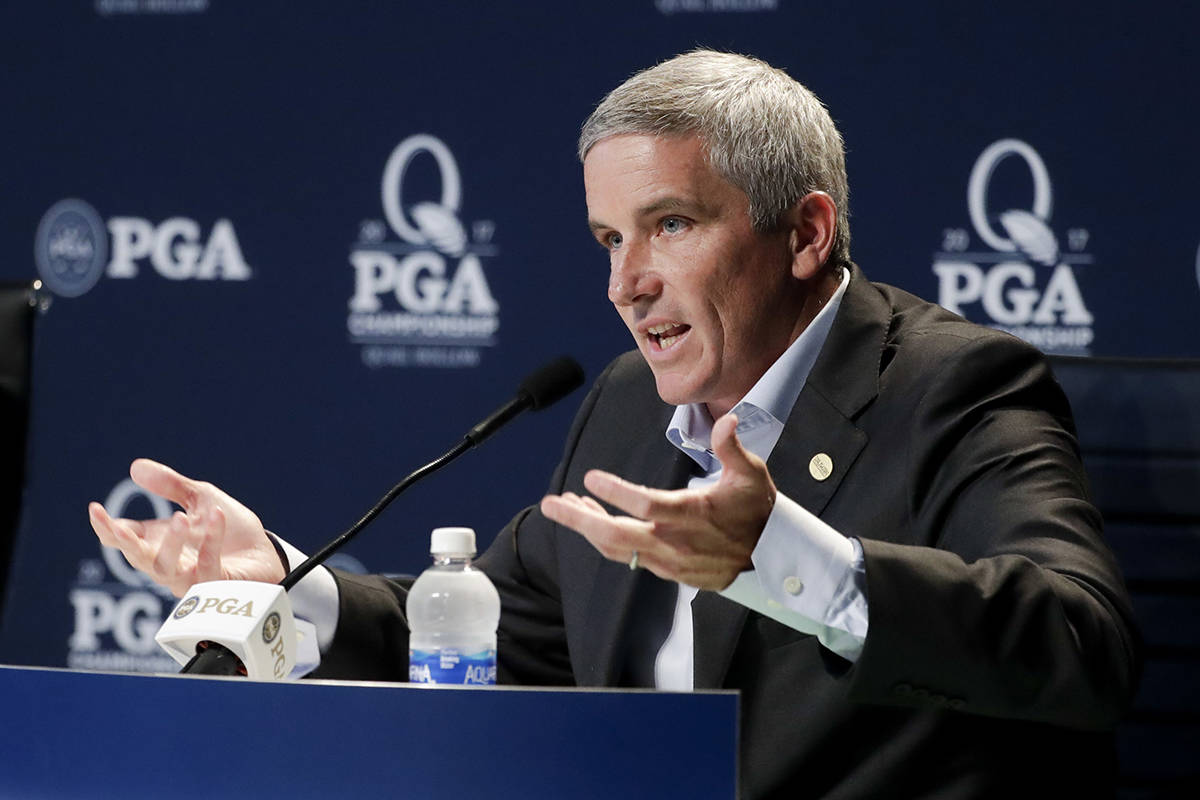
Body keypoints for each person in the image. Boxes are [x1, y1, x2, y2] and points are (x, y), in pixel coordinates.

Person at [89, 50, 1139, 798]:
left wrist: (779, 551)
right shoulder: (633, 402)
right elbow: (495, 628)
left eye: (670, 225)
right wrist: (286, 582)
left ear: (806, 232)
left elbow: (1080, 641)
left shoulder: (959, 386)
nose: (625, 285)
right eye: (606, 239)